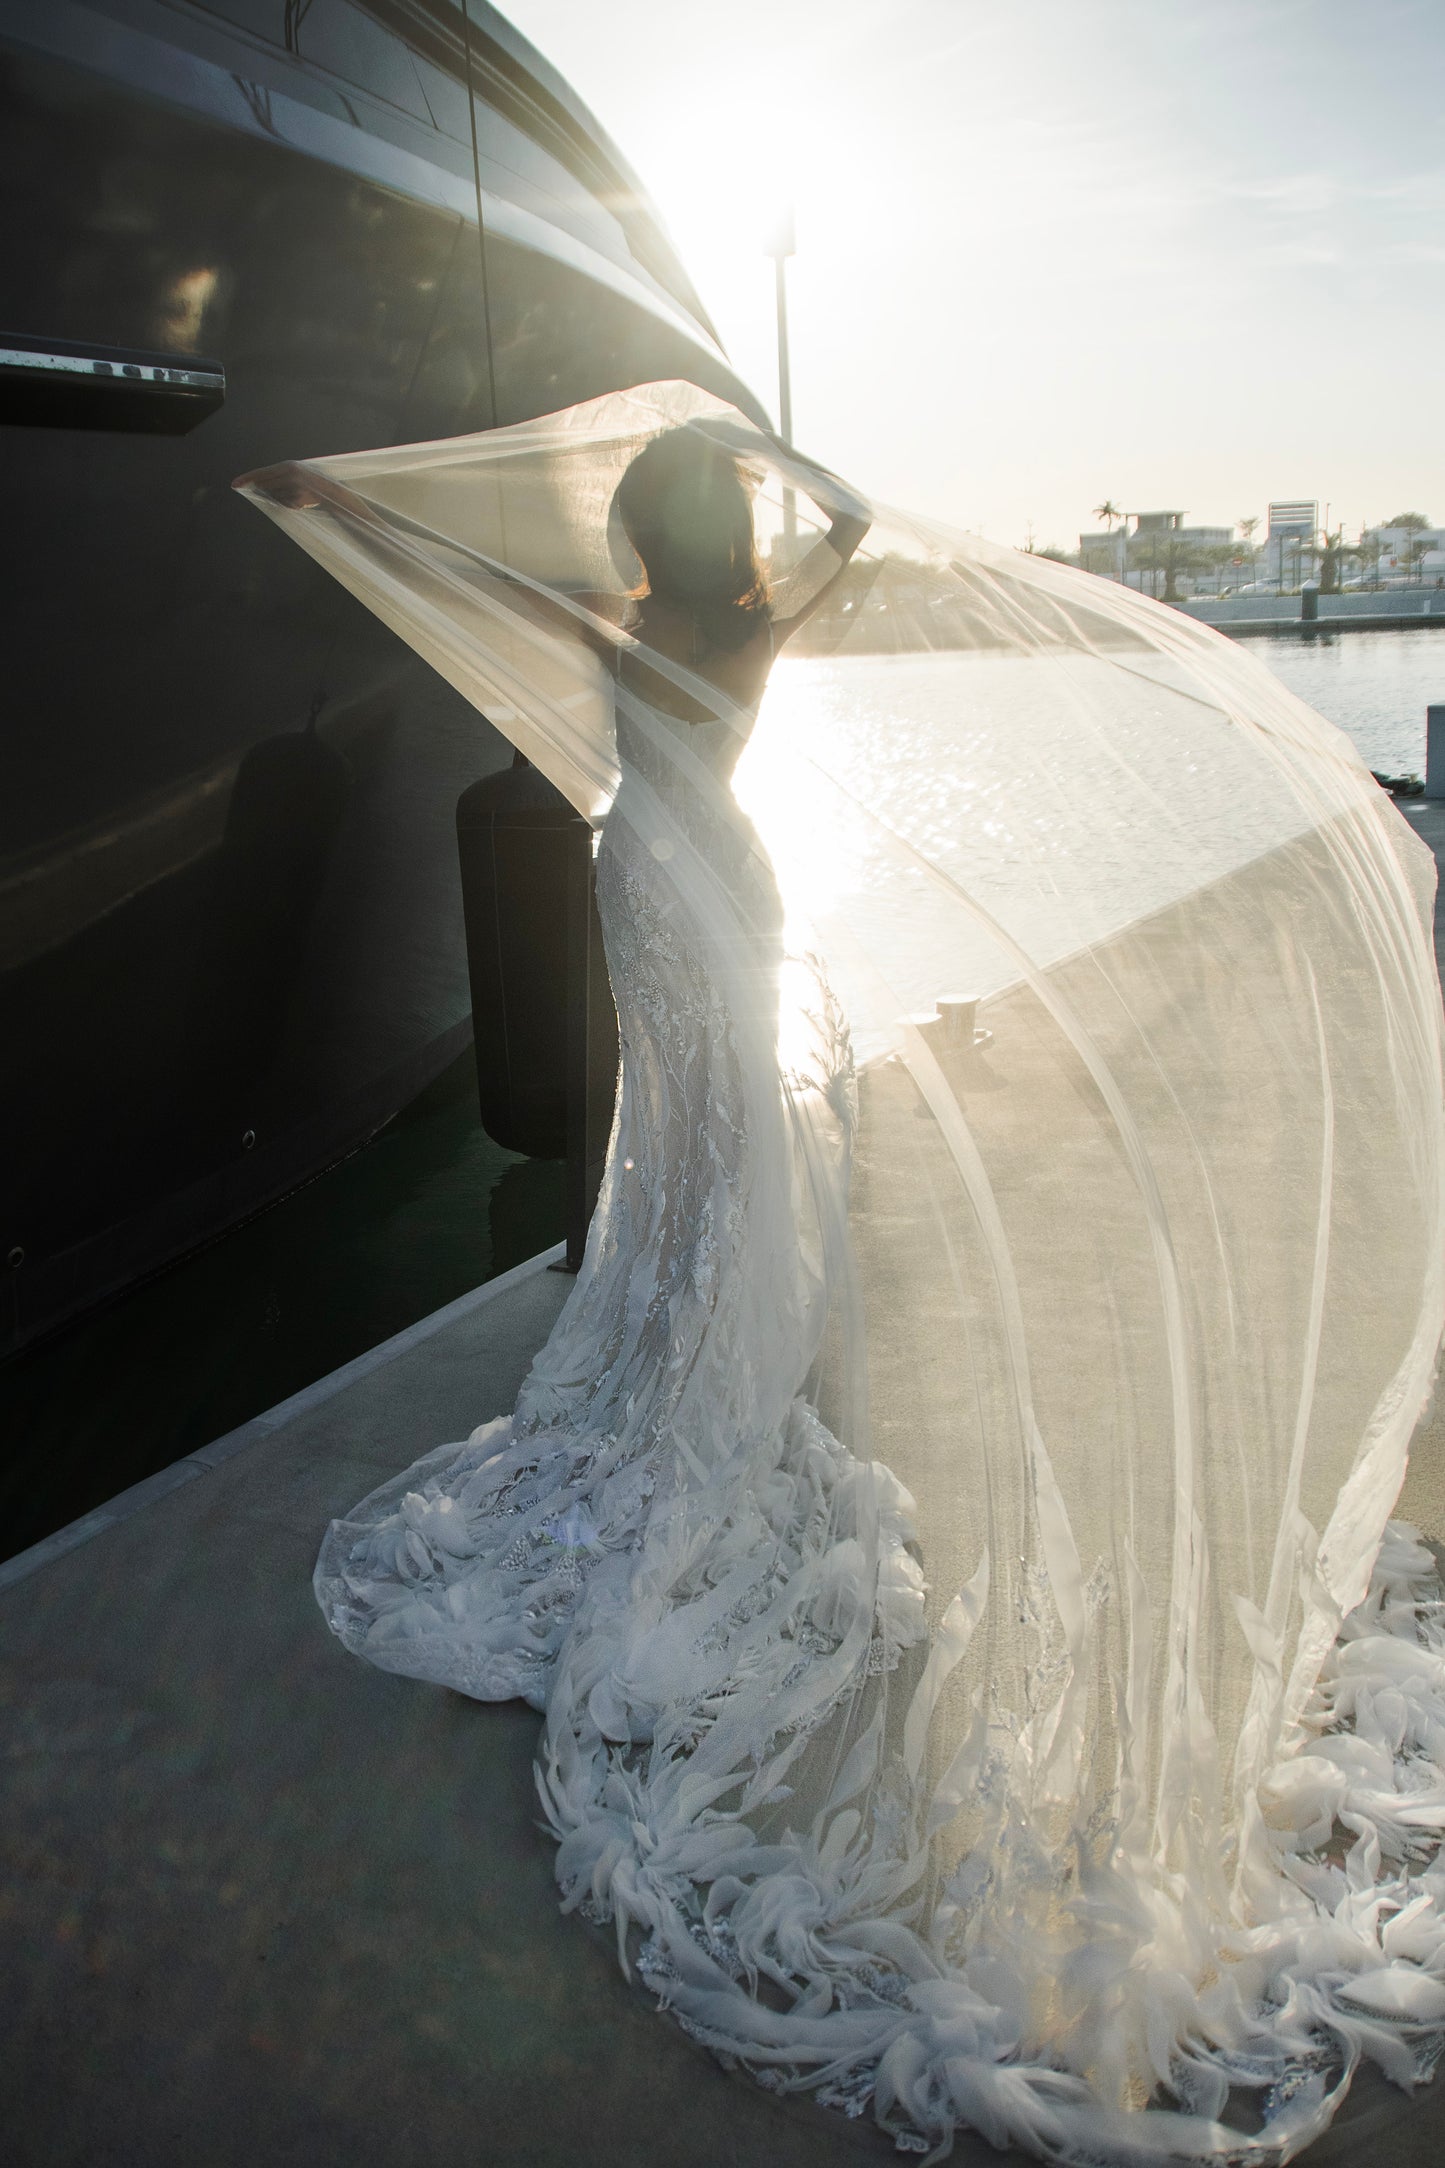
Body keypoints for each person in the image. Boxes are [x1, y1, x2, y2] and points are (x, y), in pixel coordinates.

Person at [237, 383, 1445, 2164]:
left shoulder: (631, 619)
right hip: (716, 880)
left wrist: (320, 494)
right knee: (728, 1141)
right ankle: (709, 1319)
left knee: (701, 1145)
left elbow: (454, 563)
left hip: (652, 880)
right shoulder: (743, 613)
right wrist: (772, 467)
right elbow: (855, 531)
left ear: (640, 540)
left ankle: (679, 1331)